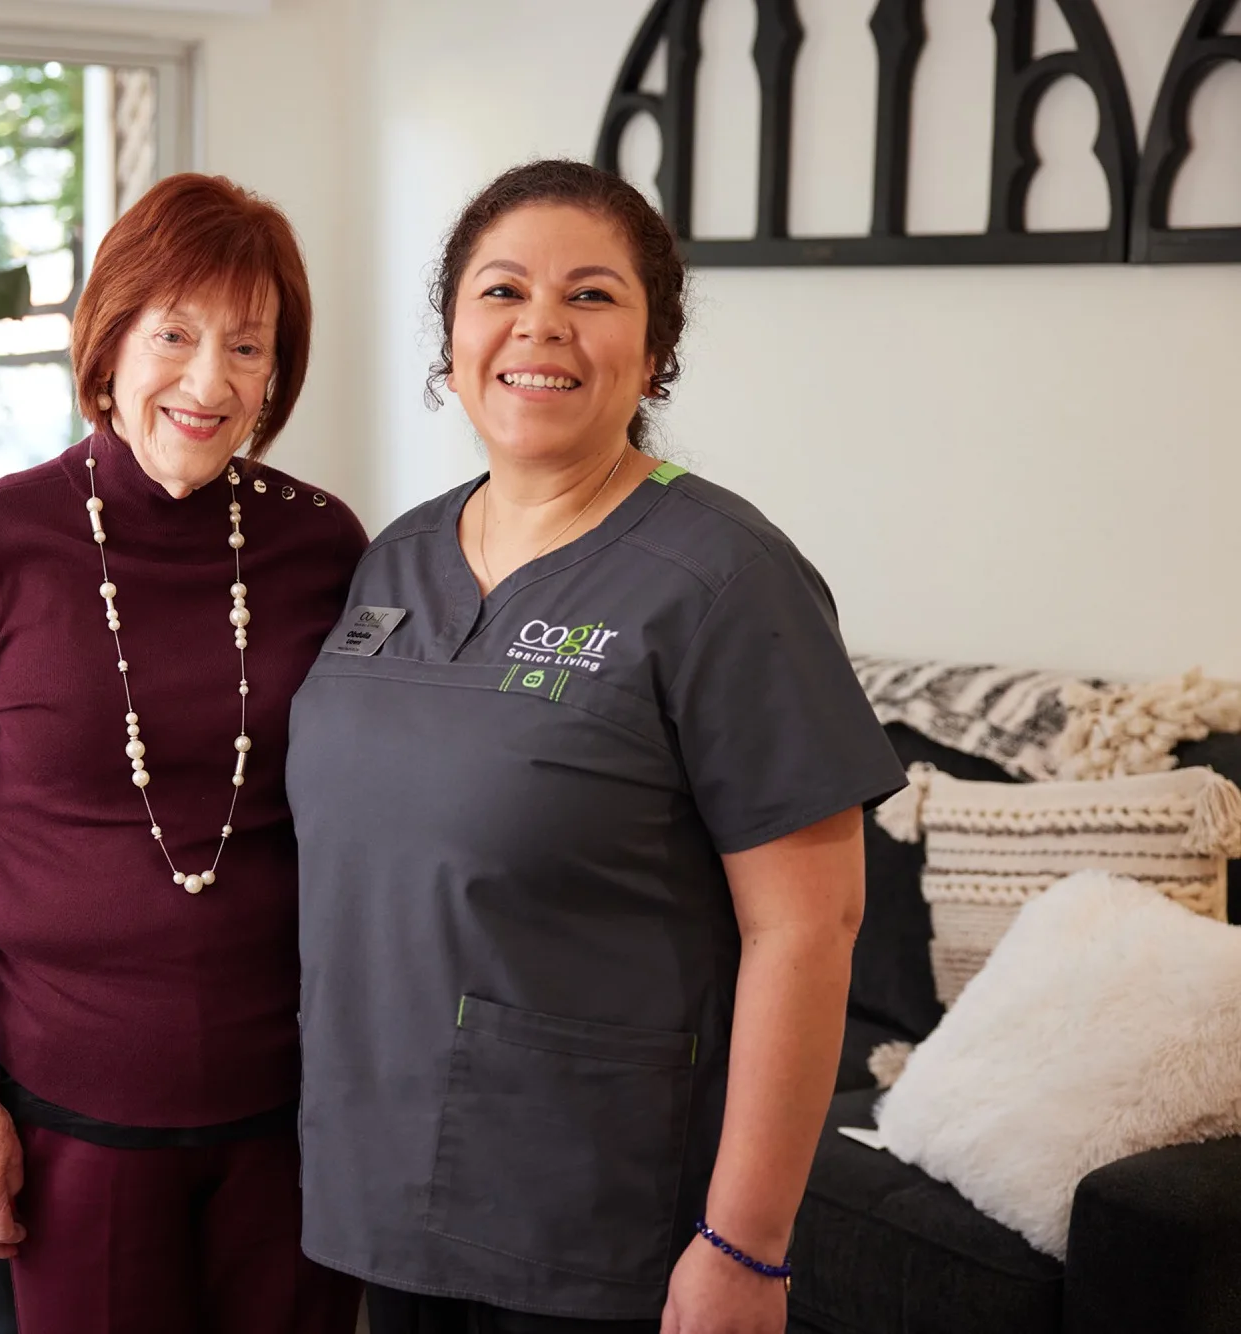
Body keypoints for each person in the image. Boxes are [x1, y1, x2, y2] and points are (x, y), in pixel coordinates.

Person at [287, 159, 906, 1334]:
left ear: (654, 347)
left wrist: (745, 1244)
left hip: (593, 1217)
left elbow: (807, 927)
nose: (539, 326)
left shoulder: (725, 578)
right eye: (501, 289)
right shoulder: (393, 559)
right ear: (451, 334)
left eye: (590, 295)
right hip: (377, 1186)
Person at [0, 172, 367, 1334]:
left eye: (247, 347)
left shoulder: (320, 541)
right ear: (109, 342)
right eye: (174, 334)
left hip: (295, 1119)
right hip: (71, 1121)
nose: (208, 381)